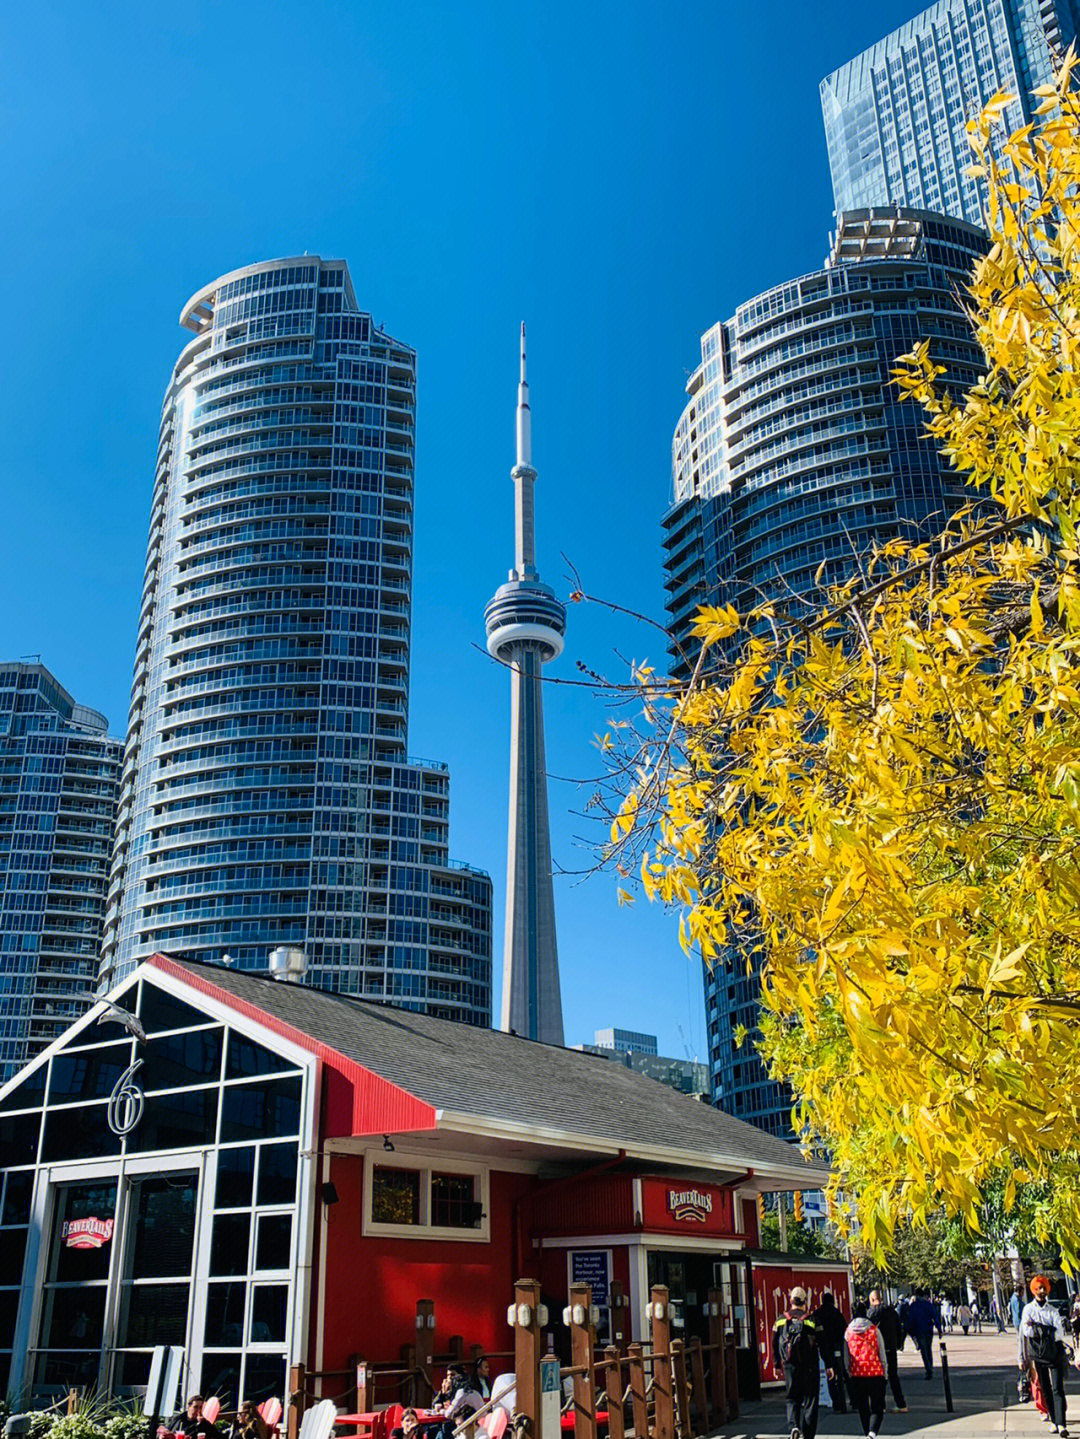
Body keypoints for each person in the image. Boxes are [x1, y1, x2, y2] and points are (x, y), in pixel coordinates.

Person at [772, 1285, 828, 1439]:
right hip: (810, 1365)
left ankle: (794, 1426)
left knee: (792, 1398)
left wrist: (777, 1364)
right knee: (810, 1400)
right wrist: (829, 1365)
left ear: (790, 1300)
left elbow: (774, 1343)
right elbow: (823, 1343)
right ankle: (808, 1434)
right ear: (805, 1301)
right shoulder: (811, 1320)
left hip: (789, 1365)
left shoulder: (780, 1320)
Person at [1019, 1274, 1071, 1436]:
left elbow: (1059, 1333)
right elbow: (1026, 1331)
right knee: (1045, 1389)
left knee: (1057, 1388)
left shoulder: (1052, 1310)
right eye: (1038, 1288)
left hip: (1054, 1353)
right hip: (1038, 1354)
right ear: (1034, 1290)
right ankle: (1054, 1421)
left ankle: (1062, 1424)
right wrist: (1044, 1330)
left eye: (1044, 1288)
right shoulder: (1028, 1309)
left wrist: (1039, 1328)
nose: (1041, 1291)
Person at [844, 1301, 888, 1439]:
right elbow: (882, 1353)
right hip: (875, 1373)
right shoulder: (874, 1330)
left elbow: (846, 1355)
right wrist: (885, 1371)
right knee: (877, 1407)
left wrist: (848, 1371)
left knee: (863, 1408)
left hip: (857, 1374)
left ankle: (866, 1433)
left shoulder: (848, 1332)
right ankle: (872, 1433)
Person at [868, 1290, 907, 1414]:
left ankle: (880, 1406)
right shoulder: (891, 1311)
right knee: (893, 1376)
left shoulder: (871, 1313)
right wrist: (899, 1344)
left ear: (873, 1300)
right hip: (891, 1347)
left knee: (879, 1378)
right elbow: (899, 1328)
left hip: (878, 1350)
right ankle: (901, 1404)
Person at [809, 1289, 848, 1414]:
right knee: (841, 1376)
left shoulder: (817, 1314)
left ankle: (836, 1403)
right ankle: (844, 1403)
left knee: (830, 1377)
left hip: (824, 1349)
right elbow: (844, 1329)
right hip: (838, 1347)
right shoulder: (837, 1314)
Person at [904, 1289, 940, 1378]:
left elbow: (910, 1319)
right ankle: (930, 1367)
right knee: (928, 1349)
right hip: (928, 1329)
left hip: (919, 1330)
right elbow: (935, 1316)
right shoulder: (928, 1304)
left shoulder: (913, 1306)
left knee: (924, 1351)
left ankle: (928, 1369)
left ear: (916, 1295)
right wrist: (939, 1329)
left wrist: (909, 1331)